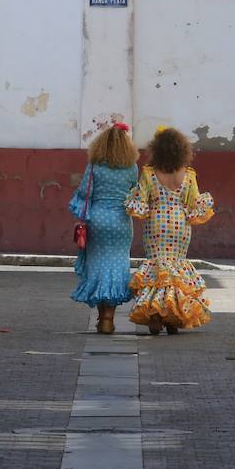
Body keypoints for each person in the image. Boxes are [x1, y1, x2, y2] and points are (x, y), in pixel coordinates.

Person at [125, 127, 215, 335]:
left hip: (156, 223)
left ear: (156, 149)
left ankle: (156, 314)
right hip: (180, 225)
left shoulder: (149, 173)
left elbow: (141, 200)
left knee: (158, 267)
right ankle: (173, 316)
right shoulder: (188, 175)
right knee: (176, 267)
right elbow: (193, 203)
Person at [69, 122, 139, 334]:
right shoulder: (132, 168)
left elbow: (84, 193)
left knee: (98, 264)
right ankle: (109, 316)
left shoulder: (94, 166)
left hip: (97, 218)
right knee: (118, 265)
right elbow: (134, 193)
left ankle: (102, 318)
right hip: (121, 221)